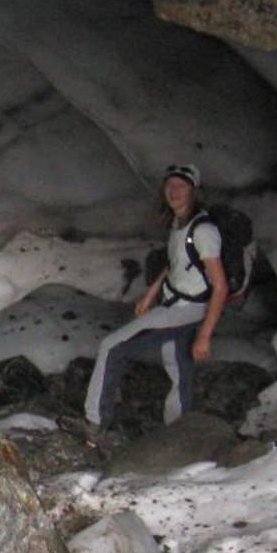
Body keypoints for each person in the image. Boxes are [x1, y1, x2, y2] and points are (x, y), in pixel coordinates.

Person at [83, 163, 228, 429]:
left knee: (112, 347)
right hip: (173, 302)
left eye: (181, 186)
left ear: (194, 191)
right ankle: (180, 428)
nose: (173, 191)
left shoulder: (204, 231)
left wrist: (205, 335)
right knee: (178, 366)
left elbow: (220, 286)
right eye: (170, 185)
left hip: (186, 309)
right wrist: (150, 295)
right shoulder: (178, 223)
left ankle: (95, 422)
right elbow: (176, 262)